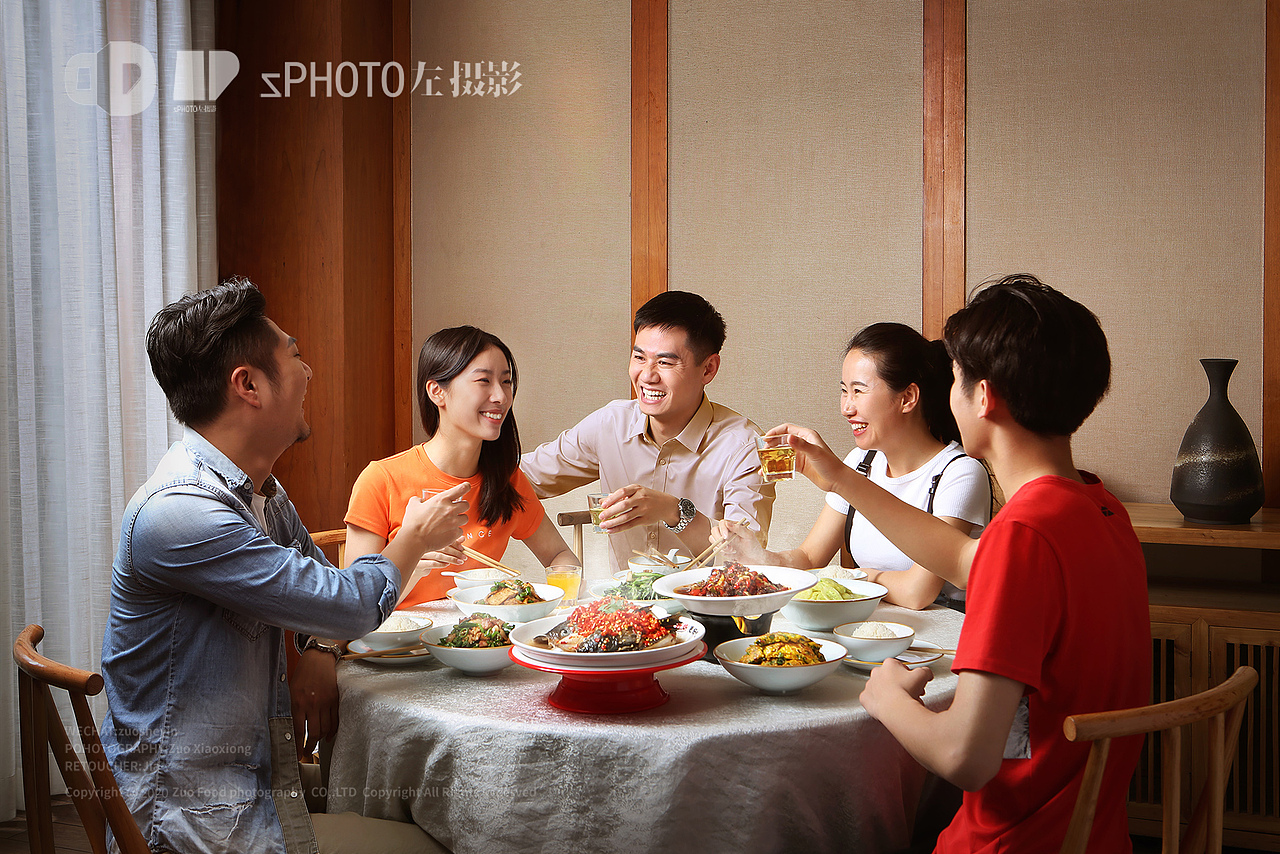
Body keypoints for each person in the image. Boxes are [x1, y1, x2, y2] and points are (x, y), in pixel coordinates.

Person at [772, 275, 1150, 852]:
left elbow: (963, 757)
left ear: (983, 396)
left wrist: (884, 696)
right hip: (1092, 835)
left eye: (953, 379)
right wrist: (842, 477)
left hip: (1008, 841)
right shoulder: (1096, 510)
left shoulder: (1022, 537)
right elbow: (962, 559)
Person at [101, 278, 462, 853]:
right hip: (194, 814)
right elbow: (349, 605)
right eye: (294, 355)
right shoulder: (180, 513)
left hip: (256, 779)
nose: (309, 371)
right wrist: (412, 539)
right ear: (248, 385)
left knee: (431, 799)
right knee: (445, 836)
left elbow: (323, 595)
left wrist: (317, 652)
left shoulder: (257, 491)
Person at [712, 322, 990, 610]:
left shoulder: (959, 473)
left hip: (939, 638)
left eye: (859, 391)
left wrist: (852, 577)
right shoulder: (860, 463)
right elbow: (809, 558)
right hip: (863, 627)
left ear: (907, 398)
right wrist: (762, 559)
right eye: (844, 391)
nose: (846, 407)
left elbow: (916, 593)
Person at [520, 291, 774, 573]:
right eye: (639, 357)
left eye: (665, 362)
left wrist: (674, 511)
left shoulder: (745, 446)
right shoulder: (610, 424)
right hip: (625, 610)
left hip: (707, 609)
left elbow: (745, 557)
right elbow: (520, 477)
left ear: (708, 369)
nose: (647, 375)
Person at [343, 326, 578, 603]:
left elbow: (559, 556)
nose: (501, 397)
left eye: (506, 382)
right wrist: (412, 565)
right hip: (399, 644)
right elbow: (354, 603)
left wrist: (553, 600)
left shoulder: (507, 479)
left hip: (479, 640)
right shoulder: (381, 479)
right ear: (436, 392)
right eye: (483, 381)